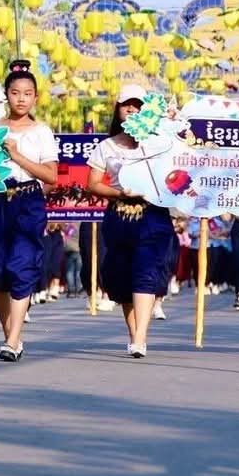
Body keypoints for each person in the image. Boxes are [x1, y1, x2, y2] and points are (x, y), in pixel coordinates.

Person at [0, 65, 59, 361]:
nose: (21, 99)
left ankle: (12, 341)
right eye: (15, 93)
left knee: (21, 265)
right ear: (6, 95)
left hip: (27, 201)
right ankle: (10, 335)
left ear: (36, 98)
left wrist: (17, 155)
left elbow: (51, 176)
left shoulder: (41, 132)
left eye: (27, 94)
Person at [87, 86, 175, 358]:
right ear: (118, 109)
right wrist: (118, 193)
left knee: (146, 272)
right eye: (127, 105)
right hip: (120, 215)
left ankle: (140, 337)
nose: (132, 110)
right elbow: (93, 184)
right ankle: (133, 333)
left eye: (138, 106)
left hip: (152, 215)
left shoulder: (160, 143)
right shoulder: (107, 146)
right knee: (123, 275)